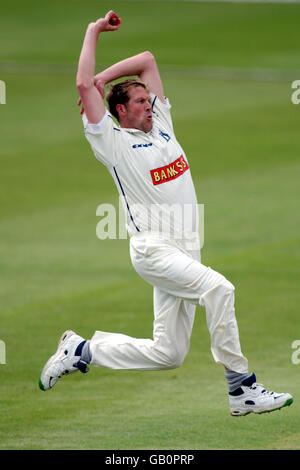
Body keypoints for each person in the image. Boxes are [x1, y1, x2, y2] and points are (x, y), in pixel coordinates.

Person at [39, 11, 294, 417]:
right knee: (220, 290)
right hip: (154, 250)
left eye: (149, 99)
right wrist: (92, 33)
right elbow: (82, 84)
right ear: (120, 111)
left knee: (168, 353)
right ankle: (241, 389)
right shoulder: (112, 141)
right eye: (140, 102)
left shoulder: (163, 127)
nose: (149, 105)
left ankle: (82, 349)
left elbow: (147, 59)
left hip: (187, 249)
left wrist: (107, 77)